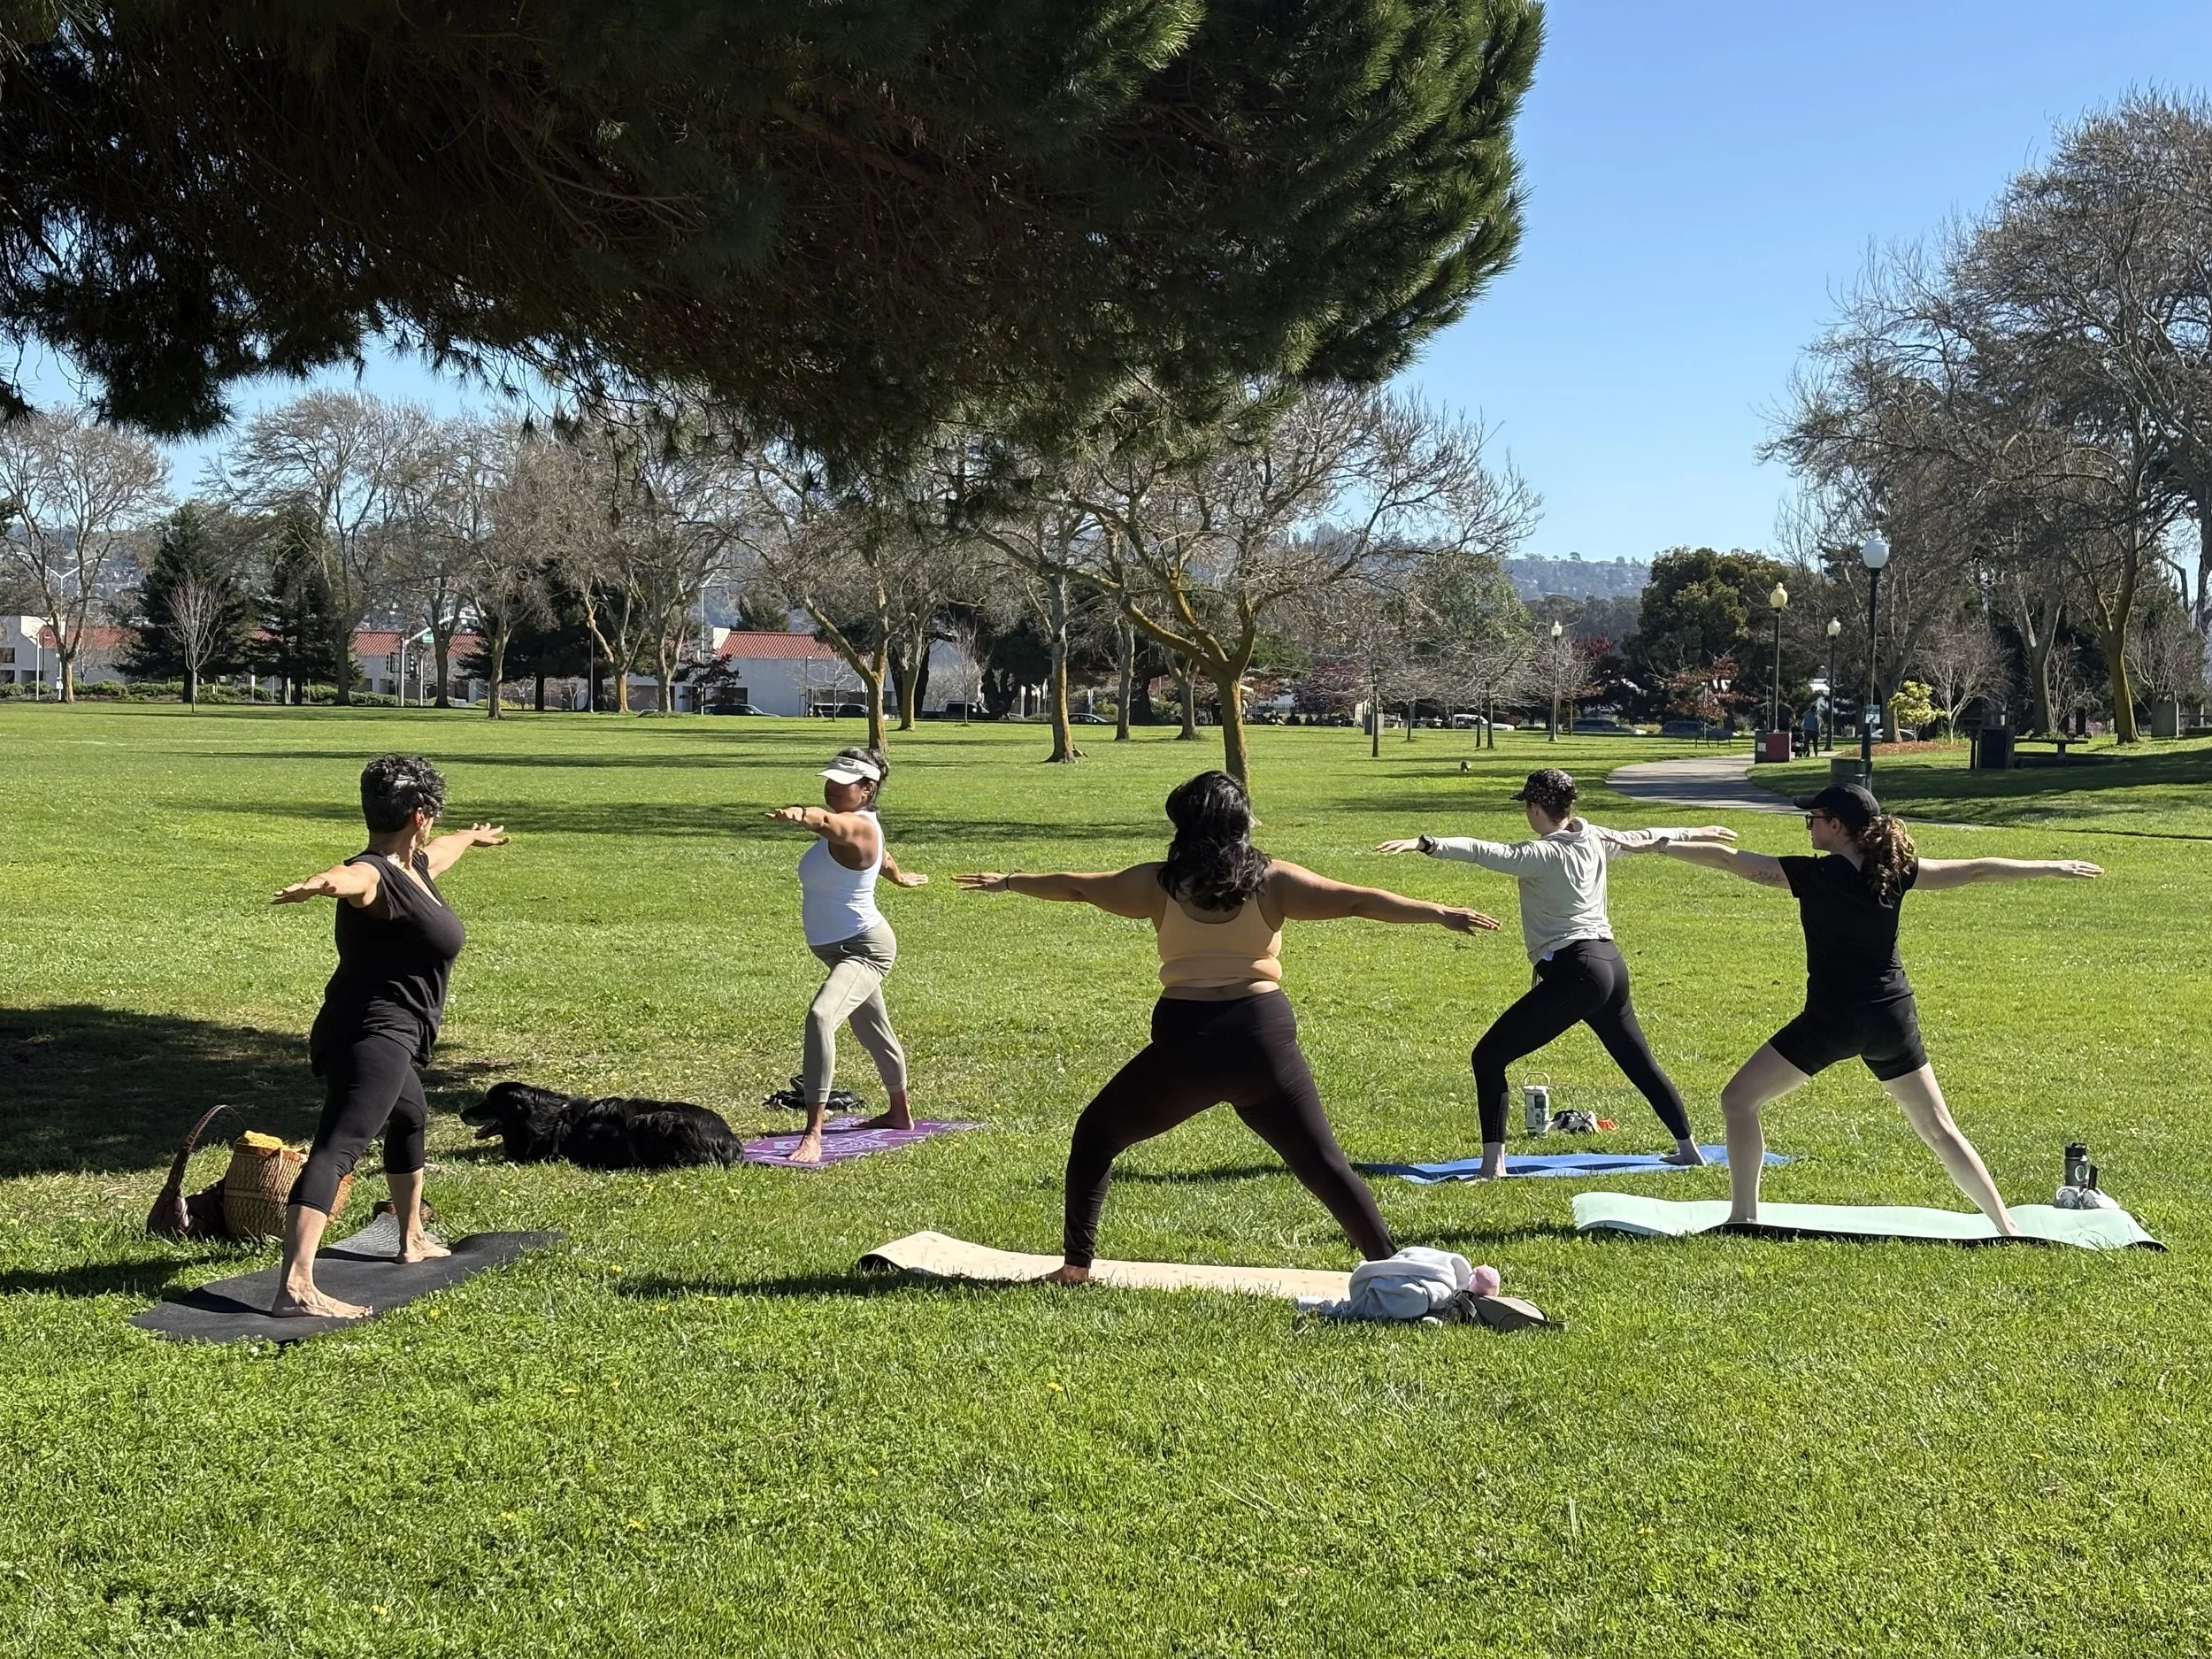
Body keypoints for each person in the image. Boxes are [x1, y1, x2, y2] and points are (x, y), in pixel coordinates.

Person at [956, 771, 1500, 1283]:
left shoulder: (1156, 884)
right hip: (1260, 1037)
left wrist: (1010, 881)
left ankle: (1076, 1267)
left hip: (1185, 1042)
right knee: (1324, 1165)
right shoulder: (1275, 881)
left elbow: (1077, 886)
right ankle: (1391, 1267)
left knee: (1096, 1137)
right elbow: (1358, 900)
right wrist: (1438, 911)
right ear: (1240, 825)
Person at [1656, 781, 2102, 1233]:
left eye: (1813, 819)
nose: (1808, 826)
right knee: (1939, 1129)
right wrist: (2050, 866)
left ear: (1836, 826)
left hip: (1834, 1021)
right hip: (1891, 1017)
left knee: (1738, 1101)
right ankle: (2007, 1229)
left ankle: (1743, 1216)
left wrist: (1659, 844)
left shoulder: (1815, 875)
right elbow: (1975, 871)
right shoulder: (1895, 872)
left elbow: (1728, 860)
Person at [1379, 767, 1738, 1177]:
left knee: (1489, 1056)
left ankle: (1492, 1165)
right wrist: (1692, 831)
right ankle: (1689, 1151)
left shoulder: (1541, 855)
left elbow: (1483, 851)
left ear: (1535, 808)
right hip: (1609, 966)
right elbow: (1644, 837)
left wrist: (1426, 843)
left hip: (1577, 973)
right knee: (1638, 1062)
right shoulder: (1593, 837)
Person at [270, 755, 509, 1317]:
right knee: (339, 1147)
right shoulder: (375, 873)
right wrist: (320, 883)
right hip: (370, 1036)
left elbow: (441, 852)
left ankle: (411, 1240)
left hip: (384, 1034)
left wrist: (470, 837)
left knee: (410, 1117)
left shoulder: (414, 867)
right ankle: (296, 1286)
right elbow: (352, 878)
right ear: (419, 815)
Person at [765, 746, 927, 1164]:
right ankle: (899, 1114)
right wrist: (898, 876)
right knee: (873, 1026)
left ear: (867, 788)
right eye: (829, 780)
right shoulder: (863, 827)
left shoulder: (852, 826)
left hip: (864, 949)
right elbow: (883, 857)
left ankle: (813, 1134)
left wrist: (801, 814)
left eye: (842, 783)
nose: (831, 787)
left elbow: (824, 821)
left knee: (822, 1016)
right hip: (838, 948)